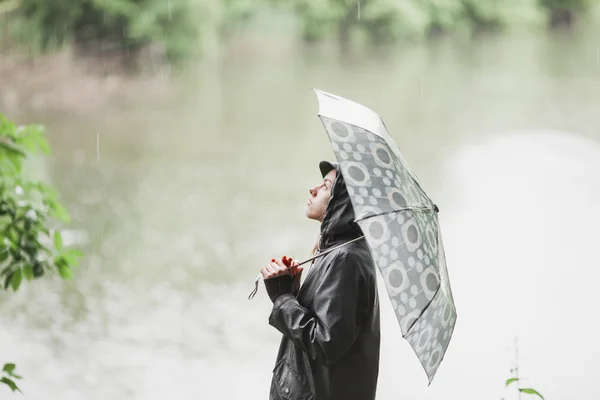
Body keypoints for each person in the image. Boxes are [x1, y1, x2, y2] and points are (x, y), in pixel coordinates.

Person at [260, 161, 381, 400]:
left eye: (326, 186)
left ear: (341, 202)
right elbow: (328, 326)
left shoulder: (346, 259)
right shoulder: (337, 251)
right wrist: (294, 292)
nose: (312, 189)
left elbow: (326, 343)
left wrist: (282, 299)